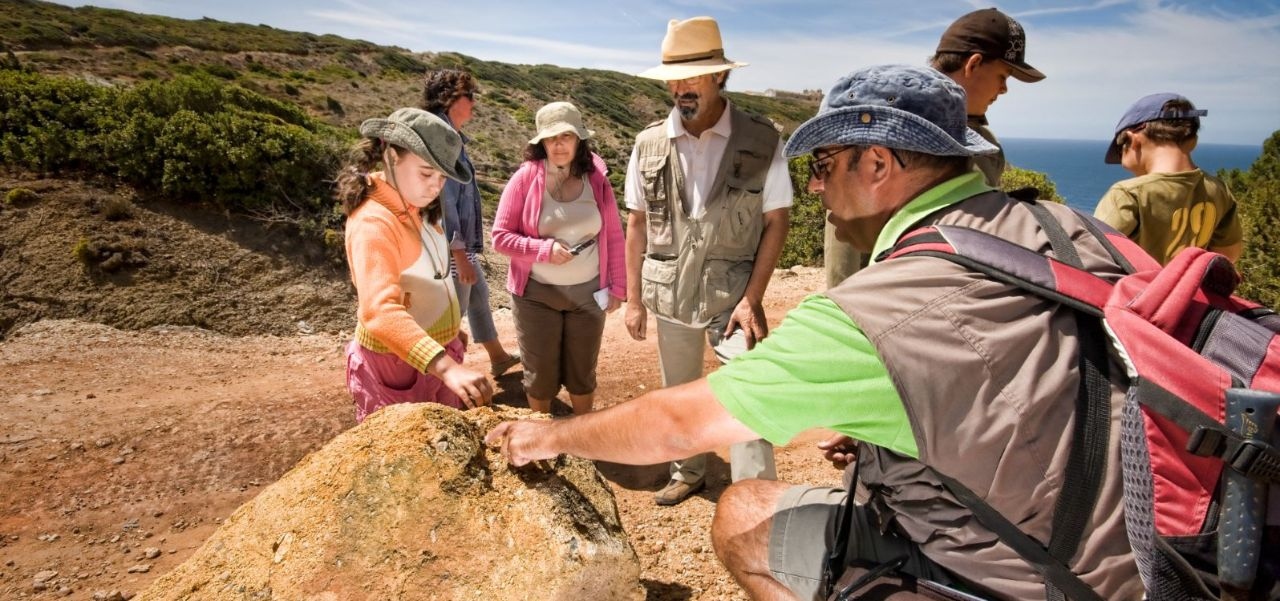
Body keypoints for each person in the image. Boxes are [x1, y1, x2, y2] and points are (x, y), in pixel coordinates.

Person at [487, 65, 1143, 600]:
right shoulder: (1079, 231)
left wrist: (547, 436)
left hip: (1019, 578)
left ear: (878, 163)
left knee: (741, 514)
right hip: (1153, 560)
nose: (815, 188)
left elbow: (681, 424)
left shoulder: (881, 309)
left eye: (824, 165)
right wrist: (898, 437)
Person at [624, 16, 792, 506]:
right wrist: (633, 300)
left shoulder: (762, 140)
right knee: (678, 393)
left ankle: (755, 497)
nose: (680, 88)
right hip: (670, 291)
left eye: (692, 77)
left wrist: (753, 298)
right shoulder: (648, 143)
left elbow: (777, 221)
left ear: (720, 74)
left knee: (747, 395)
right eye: (673, 79)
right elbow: (636, 222)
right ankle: (688, 471)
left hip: (734, 296)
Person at [823, 7, 1047, 288]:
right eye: (1004, 76)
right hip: (887, 292)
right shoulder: (888, 125)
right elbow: (845, 222)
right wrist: (846, 296)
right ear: (974, 64)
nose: (1004, 89)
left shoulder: (986, 143)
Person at [335, 108, 494, 422]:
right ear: (392, 156)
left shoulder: (417, 206)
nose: (436, 186)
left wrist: (449, 328)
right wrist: (446, 367)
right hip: (395, 361)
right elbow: (379, 311)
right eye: (426, 173)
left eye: (442, 177)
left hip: (433, 350)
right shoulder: (374, 222)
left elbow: (428, 276)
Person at [491, 101, 626, 416]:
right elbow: (500, 237)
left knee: (583, 374)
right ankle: (542, 436)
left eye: (566, 136)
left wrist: (618, 287)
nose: (559, 144)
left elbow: (614, 235)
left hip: (589, 293)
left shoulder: (597, 179)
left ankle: (582, 434)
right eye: (551, 138)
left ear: (579, 139)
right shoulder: (524, 179)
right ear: (541, 142)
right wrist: (543, 250)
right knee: (539, 377)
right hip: (536, 295)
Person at [421, 69, 522, 377]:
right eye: (469, 96)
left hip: (457, 245)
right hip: (451, 248)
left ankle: (498, 357)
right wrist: (459, 253)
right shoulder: (442, 138)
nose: (474, 102)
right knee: (451, 316)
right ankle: (442, 381)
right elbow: (445, 201)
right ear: (451, 99)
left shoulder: (449, 135)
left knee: (478, 296)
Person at [1095, 93, 1243, 265]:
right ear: (1193, 141)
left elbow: (1093, 258)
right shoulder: (1218, 190)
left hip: (1138, 283)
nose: (1121, 160)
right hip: (1187, 283)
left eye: (1120, 150)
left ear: (1133, 139)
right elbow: (1229, 255)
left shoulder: (1128, 194)